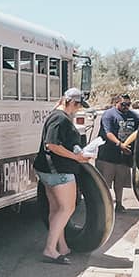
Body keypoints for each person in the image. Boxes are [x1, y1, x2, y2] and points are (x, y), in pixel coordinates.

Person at [33, 88, 92, 264]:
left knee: (56, 209)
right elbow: (52, 144)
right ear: (71, 102)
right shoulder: (60, 119)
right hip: (59, 170)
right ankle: (50, 249)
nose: (79, 109)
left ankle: (62, 245)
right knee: (67, 208)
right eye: (79, 105)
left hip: (48, 169)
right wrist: (77, 157)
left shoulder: (55, 116)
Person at [95, 93, 139, 212]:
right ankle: (104, 206)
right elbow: (108, 133)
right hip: (107, 155)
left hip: (124, 157)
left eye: (128, 104)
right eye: (123, 104)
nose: (126, 107)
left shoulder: (134, 116)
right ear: (116, 103)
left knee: (119, 183)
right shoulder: (108, 115)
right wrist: (120, 145)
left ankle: (119, 204)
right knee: (104, 183)